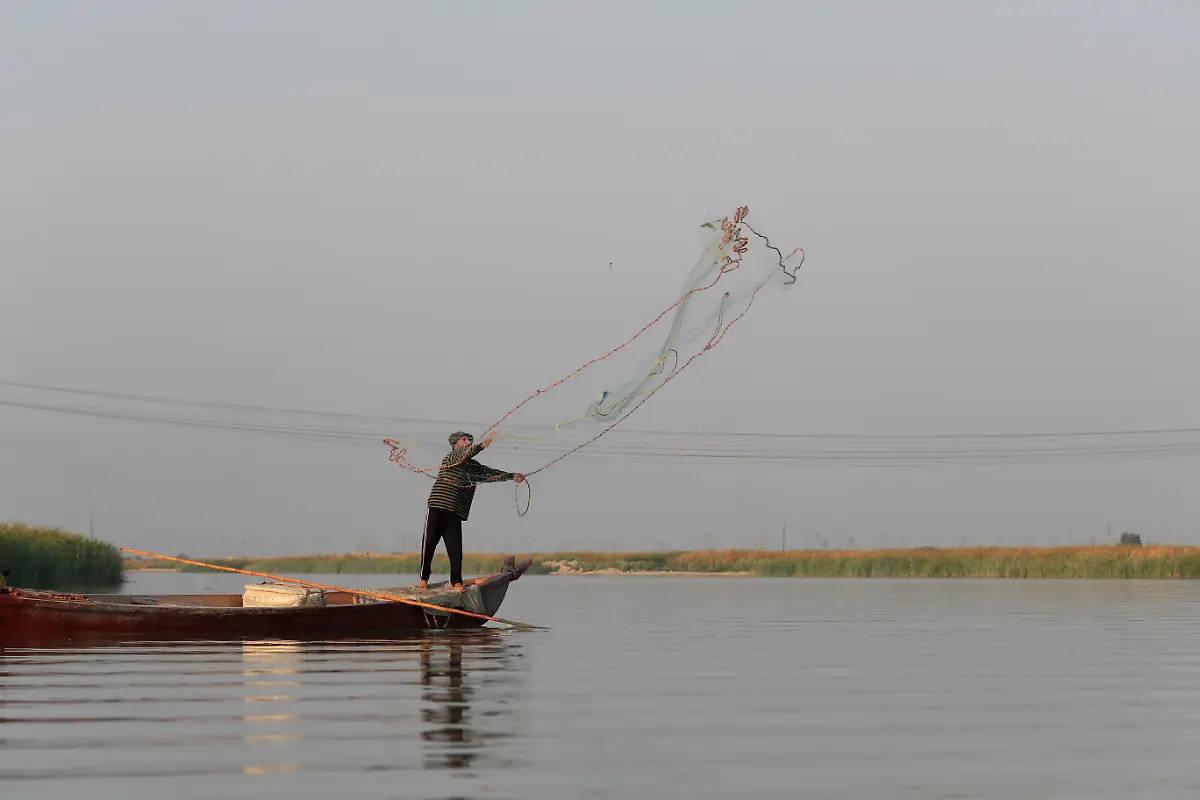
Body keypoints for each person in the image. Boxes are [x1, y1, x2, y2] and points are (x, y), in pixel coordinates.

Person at [419, 430, 524, 592]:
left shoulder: (473, 467)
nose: (467, 441)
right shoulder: (451, 458)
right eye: (464, 439)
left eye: (469, 439)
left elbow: (491, 474)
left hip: (455, 511)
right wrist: (482, 445)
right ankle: (423, 581)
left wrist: (512, 476)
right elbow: (465, 454)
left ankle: (456, 582)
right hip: (437, 507)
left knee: (456, 550)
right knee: (429, 546)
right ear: (455, 444)